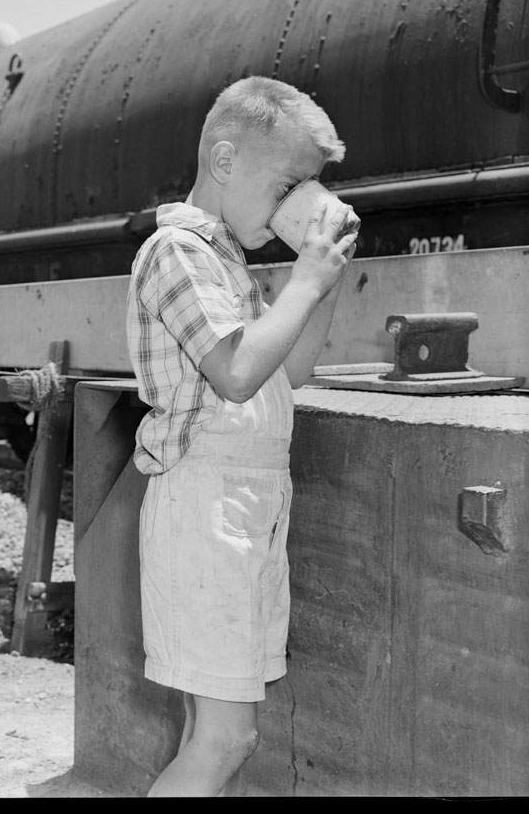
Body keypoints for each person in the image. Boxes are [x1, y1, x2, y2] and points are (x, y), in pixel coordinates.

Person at [125, 76, 358, 796]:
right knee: (228, 738)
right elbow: (234, 373)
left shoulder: (230, 262)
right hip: (204, 505)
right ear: (224, 161)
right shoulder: (178, 251)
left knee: (217, 735)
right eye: (290, 182)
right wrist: (303, 282)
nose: (299, 201)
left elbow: (293, 369)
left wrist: (320, 279)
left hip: (247, 507)